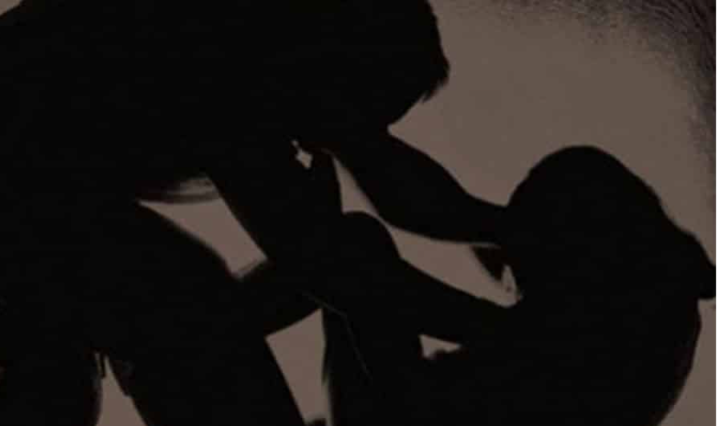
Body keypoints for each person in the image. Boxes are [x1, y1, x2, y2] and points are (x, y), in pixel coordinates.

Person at [0, 1, 507, 424]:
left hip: (36, 197)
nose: (342, 140)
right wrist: (506, 331)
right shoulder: (226, 58)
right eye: (361, 117)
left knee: (343, 254)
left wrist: (503, 229)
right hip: (22, 188)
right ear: (338, 62)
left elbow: (385, 181)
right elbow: (322, 264)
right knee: (178, 298)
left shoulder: (301, 69)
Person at [319, 146, 715, 426]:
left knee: (353, 249)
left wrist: (342, 139)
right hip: (428, 400)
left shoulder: (601, 326)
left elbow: (428, 298)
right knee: (355, 255)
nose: (513, 268)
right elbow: (464, 219)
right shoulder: (644, 277)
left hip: (413, 408)